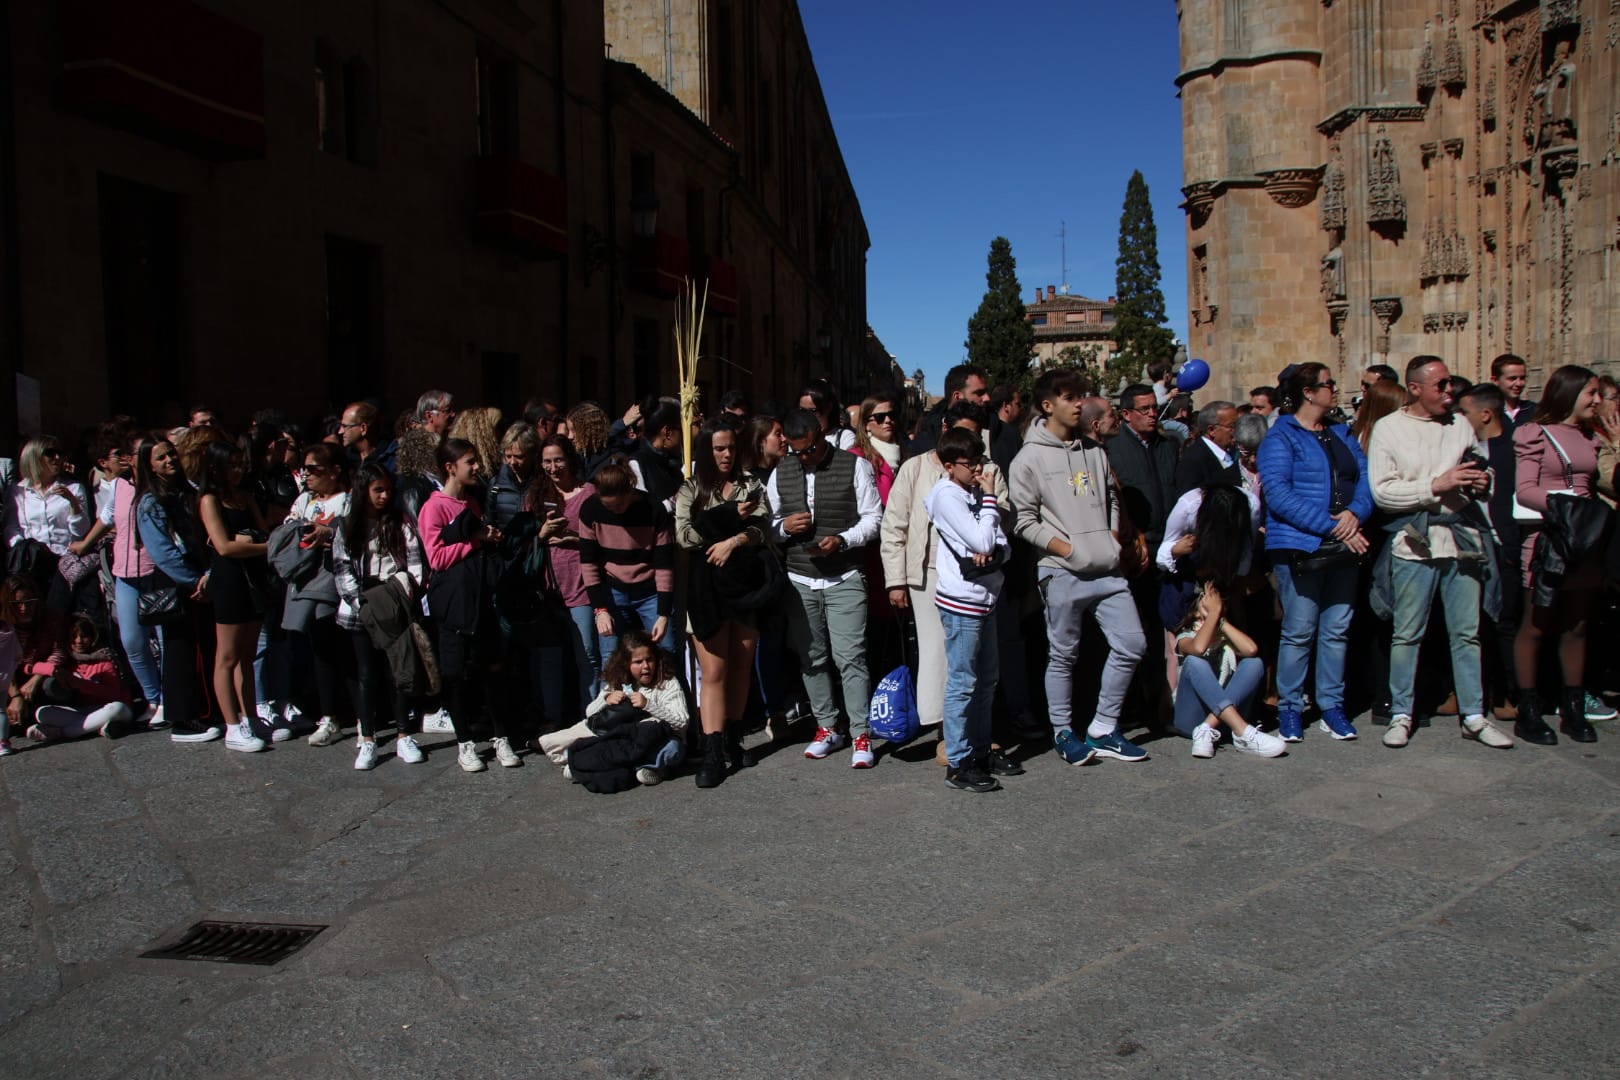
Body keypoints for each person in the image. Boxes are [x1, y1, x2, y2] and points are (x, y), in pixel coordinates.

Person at [1367, 356, 1514, 750]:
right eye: (1441, 385)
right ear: (1415, 388)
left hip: (1462, 541)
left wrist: (1483, 481)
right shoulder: (1389, 428)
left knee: (1467, 633)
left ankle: (1474, 714)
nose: (1450, 392)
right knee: (1407, 633)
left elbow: (1482, 468)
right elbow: (1383, 491)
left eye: (1451, 385)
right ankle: (1401, 712)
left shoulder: (1460, 425)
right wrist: (1436, 484)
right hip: (1414, 543)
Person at [1010, 369, 1148, 765]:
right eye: (1070, 397)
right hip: (1063, 571)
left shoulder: (1095, 451)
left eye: (1081, 396)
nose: (1079, 404)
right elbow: (1023, 520)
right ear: (1048, 405)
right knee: (1063, 655)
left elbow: (1111, 497)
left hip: (1108, 568)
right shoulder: (1028, 458)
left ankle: (1104, 726)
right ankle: (1063, 731)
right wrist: (1066, 550)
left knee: (1132, 643)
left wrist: (1111, 536)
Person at [881, 401, 1010, 760]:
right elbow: (895, 525)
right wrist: (896, 580)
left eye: (976, 433)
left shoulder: (989, 470)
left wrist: (991, 521)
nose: (971, 440)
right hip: (926, 571)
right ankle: (945, 735)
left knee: (975, 657)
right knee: (940, 655)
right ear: (945, 430)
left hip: (977, 574)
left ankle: (974, 733)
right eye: (964, 432)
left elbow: (1006, 513)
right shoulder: (915, 468)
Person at [1257, 362, 1373, 743]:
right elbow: (1278, 493)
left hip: (1345, 541)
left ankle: (1331, 705)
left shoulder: (1342, 432)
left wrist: (1355, 513)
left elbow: (1366, 479)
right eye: (1328, 384)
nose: (1334, 390)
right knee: (1299, 629)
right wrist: (1334, 525)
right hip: (1300, 545)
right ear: (1308, 392)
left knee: (1337, 627)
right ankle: (1290, 706)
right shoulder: (1281, 436)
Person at [767, 408, 883, 766]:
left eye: (810, 449)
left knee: (851, 656)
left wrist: (843, 540)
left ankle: (860, 733)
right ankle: (827, 727)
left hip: (844, 574)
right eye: (797, 452)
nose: (804, 457)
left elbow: (873, 518)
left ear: (822, 436)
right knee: (812, 656)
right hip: (800, 577)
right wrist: (785, 527)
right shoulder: (781, 471)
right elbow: (767, 524)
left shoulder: (854, 465)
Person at [1511, 365, 1611, 745]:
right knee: (1536, 623)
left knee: (1578, 626)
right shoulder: (1535, 433)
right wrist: (1567, 506)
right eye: (1591, 393)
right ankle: (1529, 709)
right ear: (1569, 393)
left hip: (1584, 541)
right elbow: (1525, 490)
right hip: (1548, 539)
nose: (1597, 400)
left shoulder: (1591, 437)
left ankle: (1572, 707)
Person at [675, 423, 771, 787]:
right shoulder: (691, 488)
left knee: (741, 667)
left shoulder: (751, 484)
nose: (726, 454)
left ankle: (733, 735)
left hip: (746, 585)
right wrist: (730, 518)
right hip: (706, 589)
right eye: (718, 448)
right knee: (714, 672)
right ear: (706, 451)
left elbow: (765, 527)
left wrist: (735, 541)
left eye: (731, 447)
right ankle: (712, 750)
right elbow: (684, 536)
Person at [419, 437, 522, 772]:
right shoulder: (434, 507)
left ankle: (501, 736)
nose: (476, 467)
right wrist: (473, 541)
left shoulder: (473, 503)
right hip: (454, 601)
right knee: (456, 674)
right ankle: (465, 743)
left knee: (491, 670)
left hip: (481, 597)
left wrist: (486, 538)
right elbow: (436, 557)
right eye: (470, 462)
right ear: (451, 467)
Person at [926, 426, 1012, 792]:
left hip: (986, 597)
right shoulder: (947, 496)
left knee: (987, 679)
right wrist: (990, 504)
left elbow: (1002, 544)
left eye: (981, 461)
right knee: (963, 681)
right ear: (949, 465)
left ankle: (979, 749)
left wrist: (992, 546)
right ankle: (959, 762)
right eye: (970, 463)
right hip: (962, 601)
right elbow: (982, 538)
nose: (978, 470)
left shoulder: (973, 492)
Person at [333, 464, 428, 769]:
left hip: (395, 604)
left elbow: (414, 564)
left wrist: (404, 598)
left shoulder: (400, 523)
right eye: (378, 490)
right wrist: (361, 604)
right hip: (361, 607)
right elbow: (342, 568)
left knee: (398, 671)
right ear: (364, 491)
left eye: (388, 489)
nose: (384, 496)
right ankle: (368, 736)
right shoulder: (349, 526)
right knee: (366, 674)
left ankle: (403, 735)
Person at [134, 438, 221, 744]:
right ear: (150, 465)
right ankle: (185, 717)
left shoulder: (188, 490)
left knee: (206, 645)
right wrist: (194, 580)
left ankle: (210, 710)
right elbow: (162, 552)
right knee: (182, 650)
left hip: (201, 577)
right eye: (160, 457)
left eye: (171, 453)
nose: (169, 459)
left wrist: (208, 575)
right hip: (178, 582)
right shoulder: (149, 501)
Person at [538, 630, 688, 787]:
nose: (645, 667)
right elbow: (590, 713)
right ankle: (625, 767)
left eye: (649, 660)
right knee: (584, 742)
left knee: (672, 749)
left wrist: (649, 705)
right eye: (638, 662)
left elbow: (682, 722)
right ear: (626, 664)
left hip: (655, 739)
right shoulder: (619, 682)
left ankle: (646, 767)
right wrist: (606, 699)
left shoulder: (667, 682)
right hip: (622, 742)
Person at [195, 441, 270, 754]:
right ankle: (231, 725)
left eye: (241, 464)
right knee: (226, 656)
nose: (238, 471)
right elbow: (225, 547)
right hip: (229, 579)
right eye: (232, 465)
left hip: (253, 579)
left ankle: (250, 715)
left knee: (247, 655)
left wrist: (252, 542)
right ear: (215, 468)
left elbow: (264, 532)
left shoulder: (246, 497)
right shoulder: (209, 499)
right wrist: (262, 547)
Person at [1455, 383, 1524, 721]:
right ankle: (1466, 691)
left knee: (1503, 622)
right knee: (1466, 625)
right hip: (1468, 545)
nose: (1458, 418)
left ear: (1484, 414)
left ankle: (1505, 692)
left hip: (1503, 546)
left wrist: (1510, 545)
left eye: (1464, 412)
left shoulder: (1512, 449)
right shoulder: (1462, 449)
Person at [282, 442, 351, 747]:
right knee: (319, 650)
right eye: (305, 469)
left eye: (314, 469)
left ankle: (359, 714)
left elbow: (352, 534)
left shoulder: (347, 501)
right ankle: (328, 715)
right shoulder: (303, 501)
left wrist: (330, 533)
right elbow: (290, 531)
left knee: (346, 650)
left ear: (335, 472)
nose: (307, 475)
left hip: (339, 584)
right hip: (307, 583)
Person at [529, 435, 600, 717]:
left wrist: (573, 538)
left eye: (558, 459)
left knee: (588, 655)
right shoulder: (536, 495)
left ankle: (591, 716)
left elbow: (604, 539)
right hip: (547, 589)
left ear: (570, 459)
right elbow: (520, 540)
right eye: (547, 461)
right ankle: (554, 719)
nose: (553, 467)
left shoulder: (589, 493)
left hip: (581, 586)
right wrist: (541, 535)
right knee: (550, 660)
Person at [1171, 584, 1286, 758]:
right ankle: (1242, 731)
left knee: (1253, 664)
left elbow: (1251, 649)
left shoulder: (1226, 638)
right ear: (1195, 612)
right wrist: (1214, 614)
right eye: (1208, 605)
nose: (1213, 609)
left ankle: (1208, 727)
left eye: (1217, 607)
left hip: (1222, 724)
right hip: (1190, 720)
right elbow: (1199, 648)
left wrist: (1221, 621)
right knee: (1195, 662)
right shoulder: (1185, 638)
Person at [578, 461, 676, 661]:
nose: (615, 511)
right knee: (611, 655)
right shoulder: (590, 510)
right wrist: (600, 610)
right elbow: (589, 564)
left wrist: (664, 614)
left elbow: (664, 564)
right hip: (613, 591)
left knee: (665, 651)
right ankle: (613, 693)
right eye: (608, 506)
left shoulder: (653, 510)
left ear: (631, 490)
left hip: (650, 591)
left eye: (620, 505)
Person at [3, 436, 93, 614]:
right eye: (50, 453)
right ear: (34, 457)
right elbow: (11, 527)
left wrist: (73, 503)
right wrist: (25, 549)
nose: (57, 458)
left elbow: (81, 532)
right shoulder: (18, 491)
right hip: (31, 564)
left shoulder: (74, 488)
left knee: (57, 615)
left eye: (60, 453)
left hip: (63, 561)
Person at [24, 615, 136, 741]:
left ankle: (64, 732)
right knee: (42, 712)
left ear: (93, 638)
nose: (78, 641)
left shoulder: (106, 660)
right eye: (74, 637)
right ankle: (97, 727)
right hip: (86, 711)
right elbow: (30, 667)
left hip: (112, 708)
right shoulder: (69, 661)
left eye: (84, 636)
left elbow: (113, 694)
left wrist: (80, 684)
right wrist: (53, 670)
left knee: (116, 707)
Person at [906, 364, 989, 456]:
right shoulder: (925, 439)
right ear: (957, 396)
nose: (987, 398)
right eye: (979, 393)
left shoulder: (998, 432)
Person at [1172, 401, 1241, 499]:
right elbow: (1189, 502)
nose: (1237, 431)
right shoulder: (1194, 459)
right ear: (1211, 430)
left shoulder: (1232, 452)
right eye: (1232, 426)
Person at [628, 401, 685, 510]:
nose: (683, 437)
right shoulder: (637, 463)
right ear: (667, 432)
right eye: (681, 430)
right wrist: (673, 502)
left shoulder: (671, 462)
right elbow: (642, 510)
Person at [485, 422, 539, 532]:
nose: (512, 462)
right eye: (508, 456)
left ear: (533, 454)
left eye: (519, 457)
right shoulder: (496, 484)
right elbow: (489, 521)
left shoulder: (544, 482)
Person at [853, 394, 904, 505]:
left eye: (892, 415)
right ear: (866, 424)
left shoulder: (905, 453)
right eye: (880, 417)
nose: (888, 420)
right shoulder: (857, 456)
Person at [799, 379, 858, 451]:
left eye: (813, 411)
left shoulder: (845, 438)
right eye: (802, 410)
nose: (806, 416)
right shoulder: (795, 438)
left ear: (828, 408)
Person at [338, 401, 396, 475]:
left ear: (363, 428)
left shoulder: (392, 459)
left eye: (345, 426)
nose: (340, 432)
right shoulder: (346, 459)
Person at [1492, 354, 1536, 429]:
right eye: (1512, 378)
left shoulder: (1535, 411)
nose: (1518, 383)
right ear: (1495, 380)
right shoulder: (1488, 412)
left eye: (1522, 378)